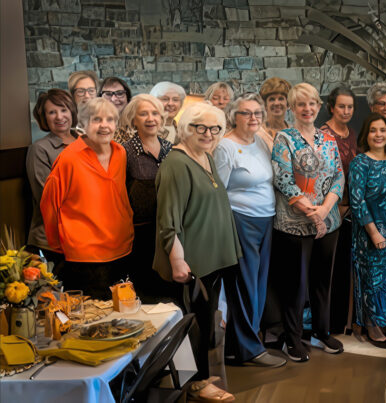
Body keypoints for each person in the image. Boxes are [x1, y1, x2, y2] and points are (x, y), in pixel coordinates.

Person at [154, 102, 240, 402]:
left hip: (212, 259)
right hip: (190, 263)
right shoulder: (175, 163)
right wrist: (177, 258)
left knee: (205, 322)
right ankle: (196, 383)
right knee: (193, 327)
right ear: (184, 129)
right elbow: (168, 219)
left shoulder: (205, 156)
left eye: (215, 128)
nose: (208, 133)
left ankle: (202, 376)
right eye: (199, 127)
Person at [271, 83, 345, 362]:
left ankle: (322, 332)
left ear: (318, 106)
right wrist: (310, 211)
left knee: (322, 281)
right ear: (292, 108)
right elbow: (282, 178)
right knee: (295, 284)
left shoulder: (328, 139)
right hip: (294, 225)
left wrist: (324, 210)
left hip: (329, 222)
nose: (307, 109)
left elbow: (338, 176)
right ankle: (292, 338)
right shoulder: (284, 138)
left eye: (312, 103)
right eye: (301, 104)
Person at [214, 93, 286, 367]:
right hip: (240, 220)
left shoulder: (259, 140)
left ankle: (241, 345)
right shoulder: (226, 147)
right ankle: (249, 350)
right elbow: (218, 192)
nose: (253, 117)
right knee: (243, 286)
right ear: (234, 116)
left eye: (257, 112)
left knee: (257, 285)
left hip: (265, 219)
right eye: (246, 113)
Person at [40, 98, 133, 298]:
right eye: (96, 119)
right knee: (93, 319)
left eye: (110, 119)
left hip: (123, 247)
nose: (104, 125)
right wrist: (62, 245)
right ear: (82, 125)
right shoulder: (69, 158)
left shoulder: (121, 153)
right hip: (85, 255)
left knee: (122, 317)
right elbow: (49, 205)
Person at [349, 113, 386, 346]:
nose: (378, 135)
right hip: (369, 232)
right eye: (373, 130)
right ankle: (371, 326)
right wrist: (373, 232)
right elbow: (357, 201)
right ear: (366, 134)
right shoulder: (360, 162)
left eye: (382, 130)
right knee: (372, 278)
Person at [118, 95, 176, 302]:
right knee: (147, 290)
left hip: (169, 229)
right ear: (134, 120)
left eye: (155, 113)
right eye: (143, 114)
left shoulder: (171, 148)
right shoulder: (125, 151)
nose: (150, 118)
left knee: (171, 289)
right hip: (140, 232)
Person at [320, 86, 358, 334]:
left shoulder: (353, 134)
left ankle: (339, 323)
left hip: (351, 210)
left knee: (344, 270)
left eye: (350, 106)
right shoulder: (322, 134)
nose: (346, 111)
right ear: (331, 107)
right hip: (328, 209)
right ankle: (323, 325)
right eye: (341, 106)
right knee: (326, 272)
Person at [26, 89, 78, 267]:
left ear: (72, 111)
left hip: (83, 238)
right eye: (52, 112)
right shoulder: (39, 149)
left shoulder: (87, 143)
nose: (59, 116)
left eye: (63, 109)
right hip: (50, 242)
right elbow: (46, 198)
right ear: (44, 118)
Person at [258, 77, 292, 150]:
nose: (276, 103)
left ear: (288, 103)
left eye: (281, 98)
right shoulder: (257, 133)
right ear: (265, 104)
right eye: (272, 99)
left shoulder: (295, 133)